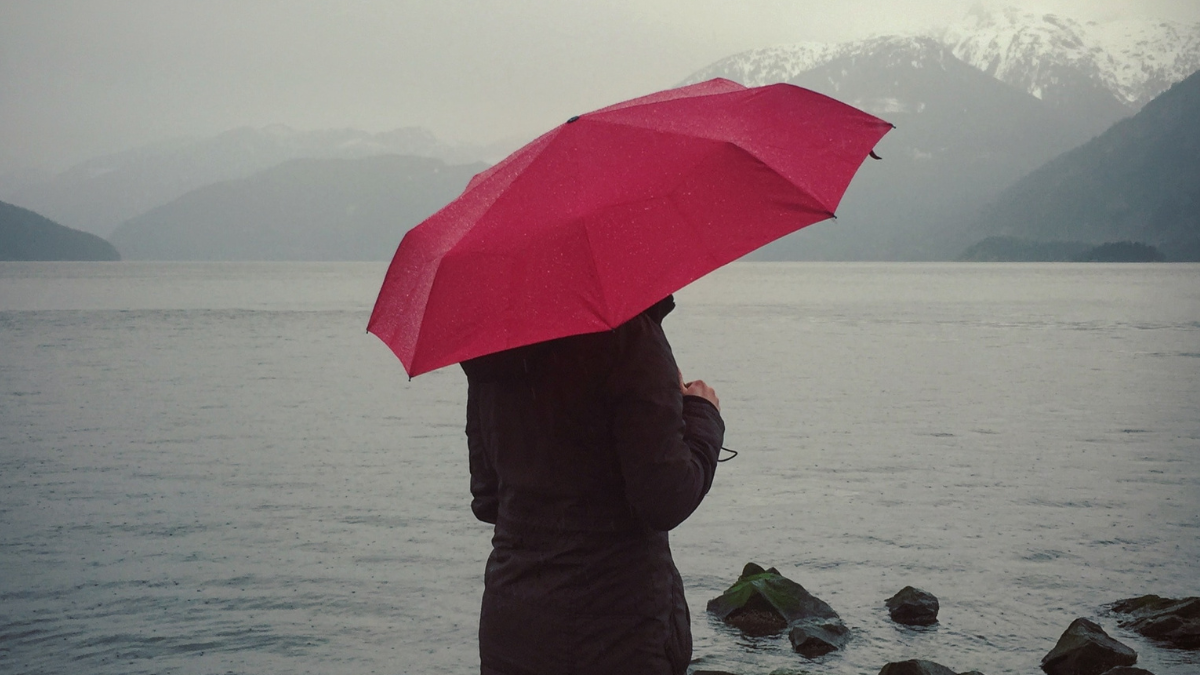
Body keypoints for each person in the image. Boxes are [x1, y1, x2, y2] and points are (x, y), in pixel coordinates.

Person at [461, 294, 725, 675]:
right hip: (617, 635)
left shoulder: (495, 344)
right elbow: (666, 498)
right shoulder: (632, 339)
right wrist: (702, 416)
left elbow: (487, 498)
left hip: (514, 629)